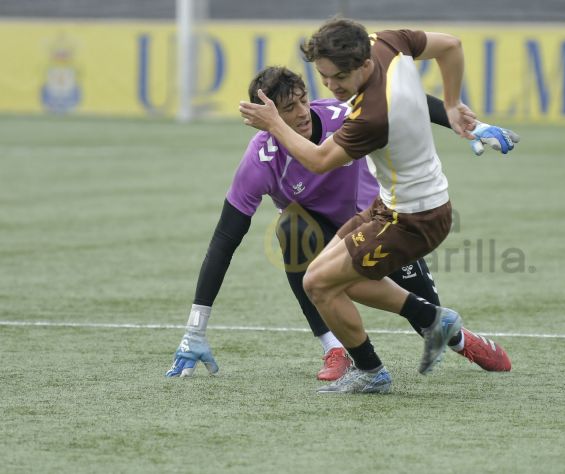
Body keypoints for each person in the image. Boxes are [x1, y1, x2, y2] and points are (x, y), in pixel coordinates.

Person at [166, 66, 515, 380]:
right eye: (288, 109)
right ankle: (336, 349)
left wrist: (472, 124)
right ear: (265, 118)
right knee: (292, 232)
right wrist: (195, 329)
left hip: (382, 224)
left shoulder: (342, 115)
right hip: (322, 239)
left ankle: (457, 338)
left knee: (424, 319)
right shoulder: (261, 160)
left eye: (303, 100)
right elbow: (224, 240)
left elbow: (401, 102)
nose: (302, 113)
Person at [238, 19, 519, 394]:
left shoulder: (373, 114)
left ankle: (372, 372)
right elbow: (450, 46)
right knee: (327, 276)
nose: (332, 87)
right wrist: (451, 106)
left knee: (318, 283)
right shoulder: (387, 41)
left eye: (339, 77)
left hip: (413, 219)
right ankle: (435, 321)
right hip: (391, 205)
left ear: (364, 65)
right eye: (324, 77)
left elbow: (320, 160)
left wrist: (275, 123)